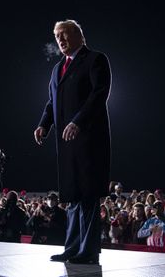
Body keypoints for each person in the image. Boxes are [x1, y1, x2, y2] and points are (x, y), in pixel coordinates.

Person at [34, 19, 112, 264]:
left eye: (65, 34)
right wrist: (43, 125)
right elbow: (51, 101)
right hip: (66, 143)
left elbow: (99, 94)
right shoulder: (58, 68)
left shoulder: (96, 60)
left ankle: (88, 251)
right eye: (57, 36)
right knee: (73, 196)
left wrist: (78, 121)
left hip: (89, 140)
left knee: (88, 196)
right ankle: (72, 248)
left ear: (79, 35)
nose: (60, 40)